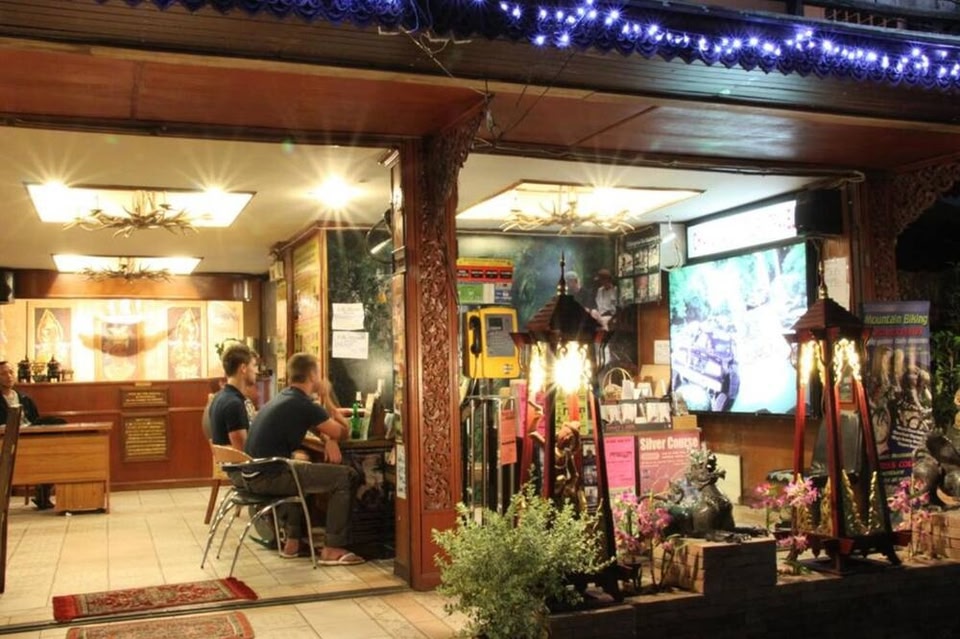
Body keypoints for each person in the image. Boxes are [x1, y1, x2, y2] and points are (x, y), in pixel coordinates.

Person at [244, 352, 364, 565]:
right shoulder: (304, 404)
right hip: (270, 476)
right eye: (319, 373)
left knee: (303, 468)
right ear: (312, 375)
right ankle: (332, 548)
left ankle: (293, 543)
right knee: (346, 476)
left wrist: (328, 439)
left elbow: (321, 429)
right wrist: (328, 400)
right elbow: (343, 432)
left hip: (251, 475)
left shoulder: (285, 397)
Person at [0, 360, 50, 509]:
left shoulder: (25, 399)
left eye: (11, 372)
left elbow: (36, 422)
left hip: (29, 440)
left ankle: (43, 494)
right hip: (5, 443)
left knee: (50, 452)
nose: (9, 376)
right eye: (3, 374)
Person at [208, 343, 259, 450]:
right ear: (243, 368)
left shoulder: (219, 397)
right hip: (241, 461)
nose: (257, 371)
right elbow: (243, 451)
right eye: (254, 365)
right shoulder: (234, 404)